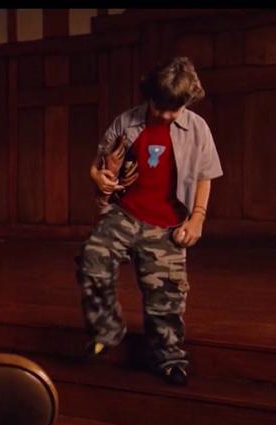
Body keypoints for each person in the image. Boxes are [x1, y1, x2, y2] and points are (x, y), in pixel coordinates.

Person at [76, 56, 223, 386]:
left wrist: (197, 219)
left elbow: (206, 176)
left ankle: (168, 355)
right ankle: (106, 330)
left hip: (168, 222)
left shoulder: (198, 129)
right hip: (124, 213)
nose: (166, 115)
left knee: (166, 295)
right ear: (149, 97)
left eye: (175, 109)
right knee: (92, 258)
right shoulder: (126, 122)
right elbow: (97, 165)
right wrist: (98, 177)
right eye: (160, 107)